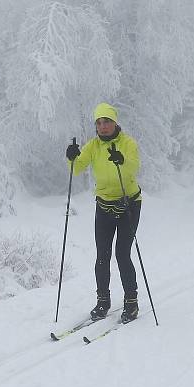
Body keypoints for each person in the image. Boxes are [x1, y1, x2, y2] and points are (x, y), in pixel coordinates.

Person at [65, 103, 143, 323]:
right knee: (102, 256)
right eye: (99, 123)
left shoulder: (128, 144)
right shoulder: (94, 146)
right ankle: (103, 301)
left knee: (122, 254)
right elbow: (77, 168)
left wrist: (122, 160)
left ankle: (131, 302)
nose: (103, 126)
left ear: (115, 122)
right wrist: (72, 157)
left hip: (129, 204)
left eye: (107, 121)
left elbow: (134, 167)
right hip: (104, 205)